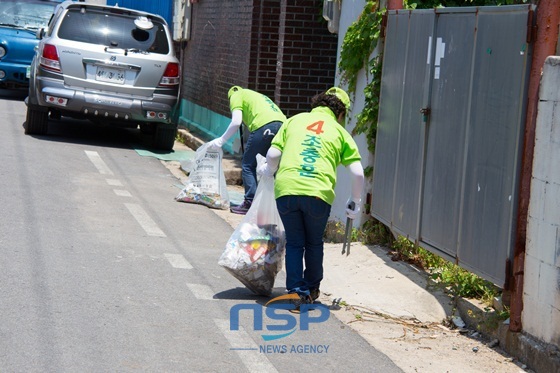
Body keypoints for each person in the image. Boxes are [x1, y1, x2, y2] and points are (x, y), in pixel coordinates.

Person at [258, 87, 364, 312]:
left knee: (296, 242)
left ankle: (296, 292)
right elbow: (357, 172)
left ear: (318, 103)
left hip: (286, 190)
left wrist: (268, 171)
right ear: (340, 113)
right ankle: (312, 289)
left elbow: (274, 155)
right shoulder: (338, 131)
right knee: (314, 242)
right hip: (318, 193)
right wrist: (356, 201)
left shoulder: (294, 121)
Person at [208, 86, 287, 215]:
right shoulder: (255, 96)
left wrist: (221, 140)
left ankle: (250, 202)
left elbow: (236, 122)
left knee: (248, 164)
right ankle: (274, 205)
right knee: (273, 166)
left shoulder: (235, 95)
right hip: (282, 125)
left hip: (264, 125)